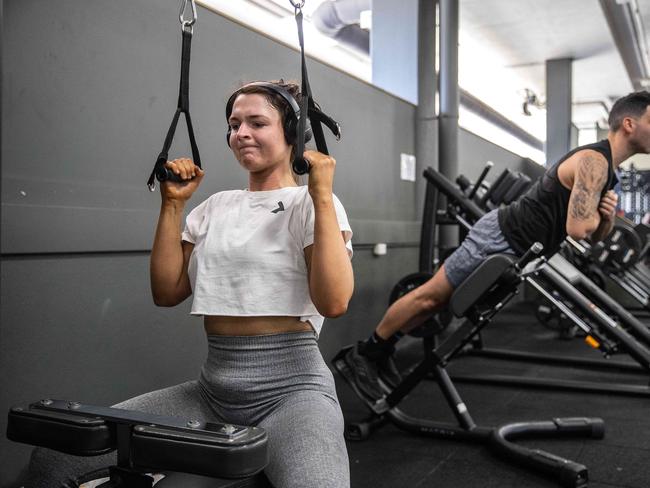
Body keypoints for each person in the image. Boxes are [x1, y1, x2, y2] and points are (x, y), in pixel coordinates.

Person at [25, 80, 354, 488]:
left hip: (293, 393)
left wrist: (321, 196)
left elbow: (334, 301)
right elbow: (167, 292)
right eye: (234, 125)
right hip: (211, 392)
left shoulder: (313, 205)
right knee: (56, 456)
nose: (241, 134)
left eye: (257, 122)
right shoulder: (214, 207)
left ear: (292, 132)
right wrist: (172, 205)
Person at [346, 90, 650, 400]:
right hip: (500, 236)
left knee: (436, 303)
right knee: (429, 297)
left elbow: (597, 233)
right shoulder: (594, 161)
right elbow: (580, 228)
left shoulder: (608, 173)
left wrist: (608, 219)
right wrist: (598, 220)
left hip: (517, 248)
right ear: (629, 123)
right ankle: (366, 353)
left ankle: (381, 350)